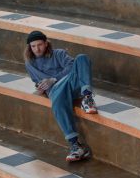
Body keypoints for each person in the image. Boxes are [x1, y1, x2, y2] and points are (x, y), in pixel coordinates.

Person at [24, 30, 98, 162]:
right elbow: (36, 81)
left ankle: (87, 98)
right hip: (56, 92)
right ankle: (76, 145)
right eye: (33, 46)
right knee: (57, 98)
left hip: (70, 85)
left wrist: (53, 79)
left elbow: (71, 67)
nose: (37, 49)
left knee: (81, 58)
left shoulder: (58, 53)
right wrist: (40, 87)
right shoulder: (29, 63)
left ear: (46, 43)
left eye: (40, 45)